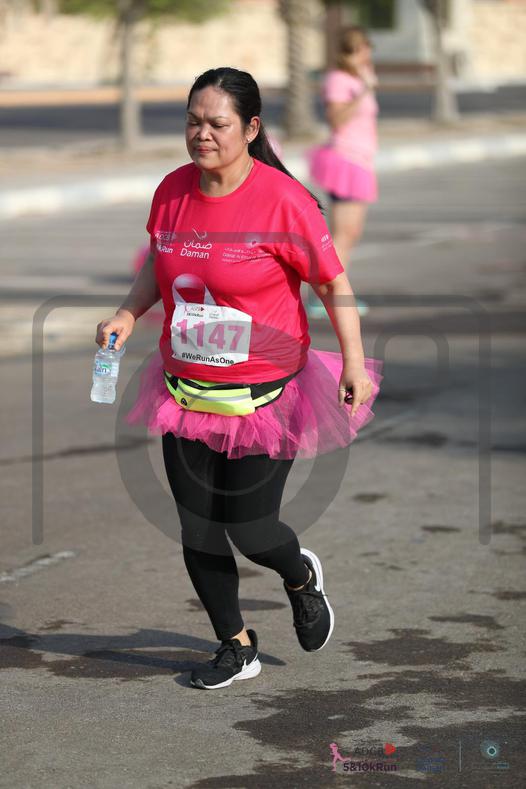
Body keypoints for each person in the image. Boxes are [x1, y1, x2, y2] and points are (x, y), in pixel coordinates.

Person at [95, 67, 383, 691]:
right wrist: (127, 313)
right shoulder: (172, 190)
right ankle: (236, 645)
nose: (202, 134)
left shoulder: (284, 201)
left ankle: (299, 576)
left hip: (265, 395)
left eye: (217, 124)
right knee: (198, 529)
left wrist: (354, 361)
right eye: (193, 122)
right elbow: (158, 263)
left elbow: (332, 283)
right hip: (186, 391)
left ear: (251, 129)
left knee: (251, 530)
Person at [308, 26, 379, 319]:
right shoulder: (338, 80)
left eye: (366, 49)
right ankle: (327, 297)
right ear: (349, 52)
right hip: (345, 160)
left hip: (361, 161)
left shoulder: (358, 77)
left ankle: (333, 294)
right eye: (360, 49)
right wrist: (364, 92)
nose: (366, 55)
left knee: (351, 233)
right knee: (343, 234)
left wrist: (365, 85)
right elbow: (336, 119)